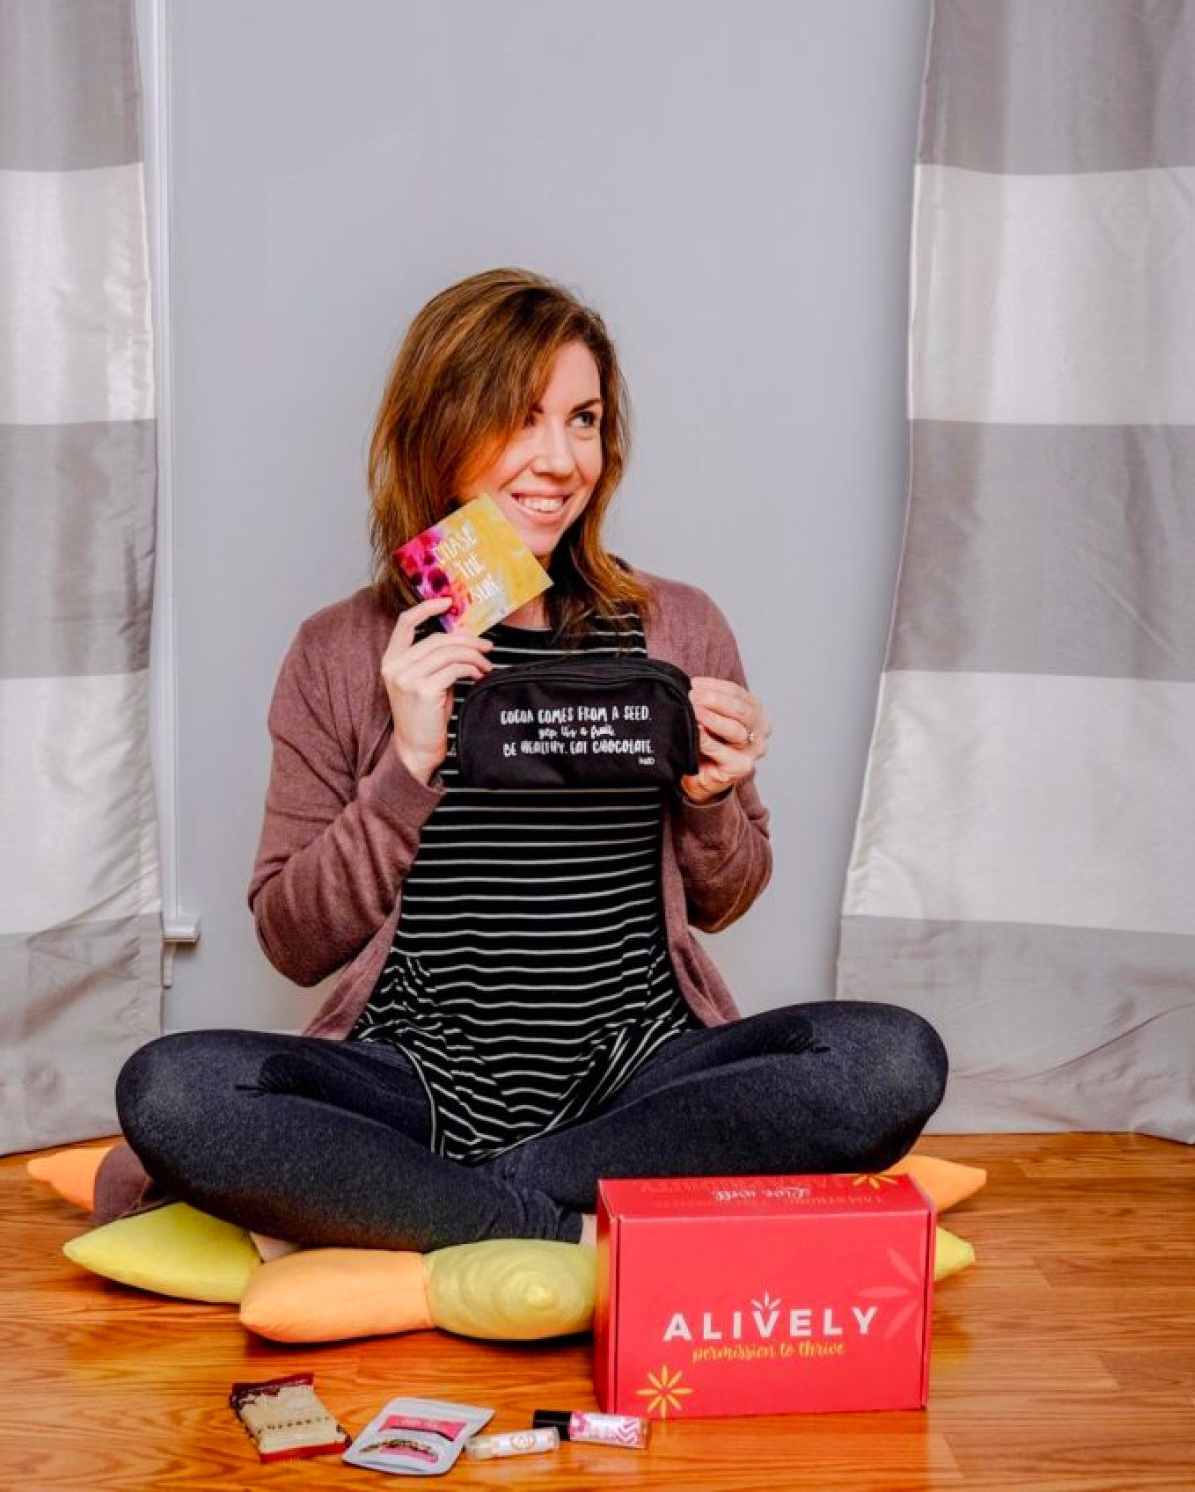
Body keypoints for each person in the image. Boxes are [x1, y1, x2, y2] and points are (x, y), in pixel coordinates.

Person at [110, 268, 948, 1251]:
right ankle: (553, 1221)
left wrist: (714, 796)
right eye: (520, 419)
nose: (559, 460)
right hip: (414, 1078)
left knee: (889, 1059)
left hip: (638, 1077)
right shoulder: (341, 649)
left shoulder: (676, 626)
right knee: (173, 1089)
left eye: (583, 420)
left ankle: (454, 1199)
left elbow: (726, 898)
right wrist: (405, 764)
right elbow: (294, 943)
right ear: (441, 429)